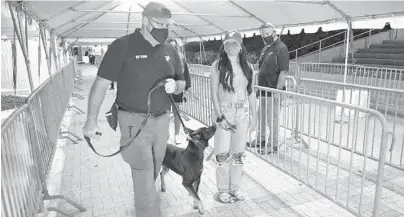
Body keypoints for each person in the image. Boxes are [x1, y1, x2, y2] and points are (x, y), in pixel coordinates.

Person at [82, 2, 185, 217]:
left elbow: (182, 82)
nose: (165, 29)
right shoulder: (122, 46)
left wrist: (176, 86)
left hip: (162, 120)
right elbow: (101, 84)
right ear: (145, 21)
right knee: (143, 172)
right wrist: (91, 121)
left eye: (169, 25)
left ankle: (145, 199)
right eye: (160, 24)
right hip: (132, 121)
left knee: (154, 168)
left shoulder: (170, 50)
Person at [210, 31, 257, 203]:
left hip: (242, 115)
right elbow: (214, 93)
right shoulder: (217, 66)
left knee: (238, 154)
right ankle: (223, 190)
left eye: (235, 43)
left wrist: (254, 116)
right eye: (228, 43)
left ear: (241, 46)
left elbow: (251, 92)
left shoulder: (248, 67)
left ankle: (235, 188)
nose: (232, 47)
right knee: (222, 153)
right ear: (224, 46)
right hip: (224, 113)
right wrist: (219, 116)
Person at [246, 22, 290, 154]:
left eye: (267, 33)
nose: (265, 36)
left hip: (273, 91)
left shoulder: (281, 48)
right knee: (262, 117)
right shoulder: (266, 49)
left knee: (272, 119)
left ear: (274, 33)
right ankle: (260, 140)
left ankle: (273, 144)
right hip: (263, 90)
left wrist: (277, 91)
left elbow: (283, 71)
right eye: (263, 34)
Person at [166, 38, 191, 144]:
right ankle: (165, 135)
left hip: (178, 89)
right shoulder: (163, 58)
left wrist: (187, 88)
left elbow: (186, 75)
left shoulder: (181, 59)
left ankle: (176, 135)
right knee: (165, 113)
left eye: (175, 46)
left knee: (177, 113)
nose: (173, 47)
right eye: (170, 45)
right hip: (166, 90)